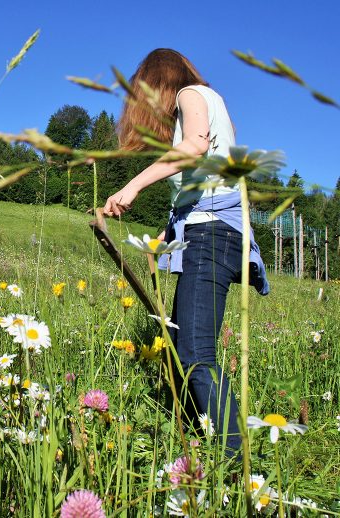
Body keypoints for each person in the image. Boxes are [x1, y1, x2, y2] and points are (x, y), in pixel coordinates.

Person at [101, 48, 269, 456]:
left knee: (195, 353)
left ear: (158, 84)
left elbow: (194, 147)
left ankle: (235, 461)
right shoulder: (207, 104)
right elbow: (203, 187)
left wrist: (134, 185)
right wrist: (164, 237)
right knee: (182, 351)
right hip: (207, 234)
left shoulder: (193, 93)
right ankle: (198, 443)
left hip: (213, 237)